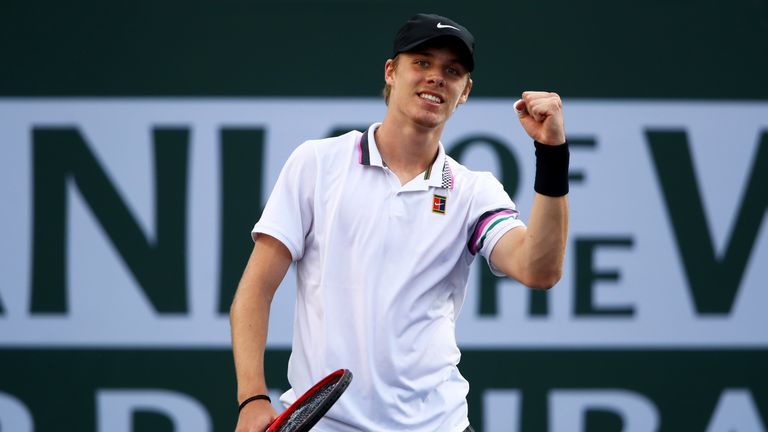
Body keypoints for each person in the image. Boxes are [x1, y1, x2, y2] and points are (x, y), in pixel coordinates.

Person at [230, 13, 569, 432]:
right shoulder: (316, 163)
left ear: (465, 92)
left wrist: (552, 154)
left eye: (452, 71)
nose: (436, 78)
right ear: (391, 72)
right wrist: (252, 398)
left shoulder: (472, 190)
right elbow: (255, 292)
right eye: (422, 63)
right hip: (327, 425)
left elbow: (540, 269)